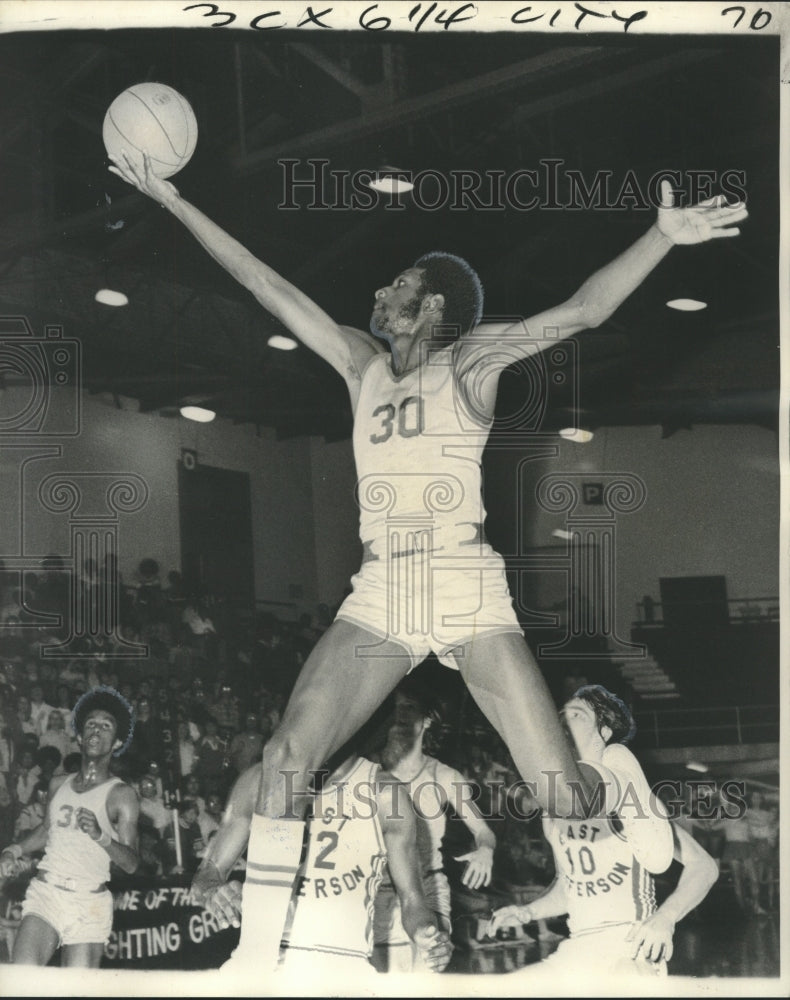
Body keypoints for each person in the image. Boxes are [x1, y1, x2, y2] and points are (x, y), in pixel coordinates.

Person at [109, 148, 747, 967]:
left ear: (431, 302)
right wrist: (172, 200)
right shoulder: (358, 362)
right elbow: (266, 284)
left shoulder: (471, 363)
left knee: (566, 794)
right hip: (381, 589)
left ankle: (631, 825)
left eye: (396, 284)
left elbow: (584, 309)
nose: (377, 293)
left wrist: (661, 236)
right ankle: (252, 961)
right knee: (284, 758)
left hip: (466, 587)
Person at [486, 686, 718, 979]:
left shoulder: (627, 794)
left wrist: (665, 919)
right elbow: (569, 888)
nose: (563, 720)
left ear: (604, 732)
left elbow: (705, 866)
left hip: (629, 946)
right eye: (561, 715)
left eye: (577, 714)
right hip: (578, 946)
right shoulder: (553, 809)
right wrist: (526, 912)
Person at [190, 753, 453, 978]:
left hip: (340, 970)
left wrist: (427, 935)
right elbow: (206, 876)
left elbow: (412, 899)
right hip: (261, 966)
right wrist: (215, 892)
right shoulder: (260, 779)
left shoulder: (385, 792)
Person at [0, 686, 139, 967]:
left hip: (89, 902)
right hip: (47, 893)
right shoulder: (57, 783)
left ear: (117, 742)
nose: (96, 730)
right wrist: (13, 849)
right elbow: (45, 831)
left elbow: (132, 864)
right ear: (78, 736)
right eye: (90, 725)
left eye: (105, 726)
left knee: (75, 990)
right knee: (23, 980)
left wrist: (102, 838)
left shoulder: (122, 795)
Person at [372, 676, 496, 972]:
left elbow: (483, 831)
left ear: (427, 720)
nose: (400, 714)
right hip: (376, 889)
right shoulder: (367, 771)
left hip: (427, 886)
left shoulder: (444, 775)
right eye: (395, 708)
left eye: (410, 707)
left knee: (426, 973)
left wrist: (485, 851)